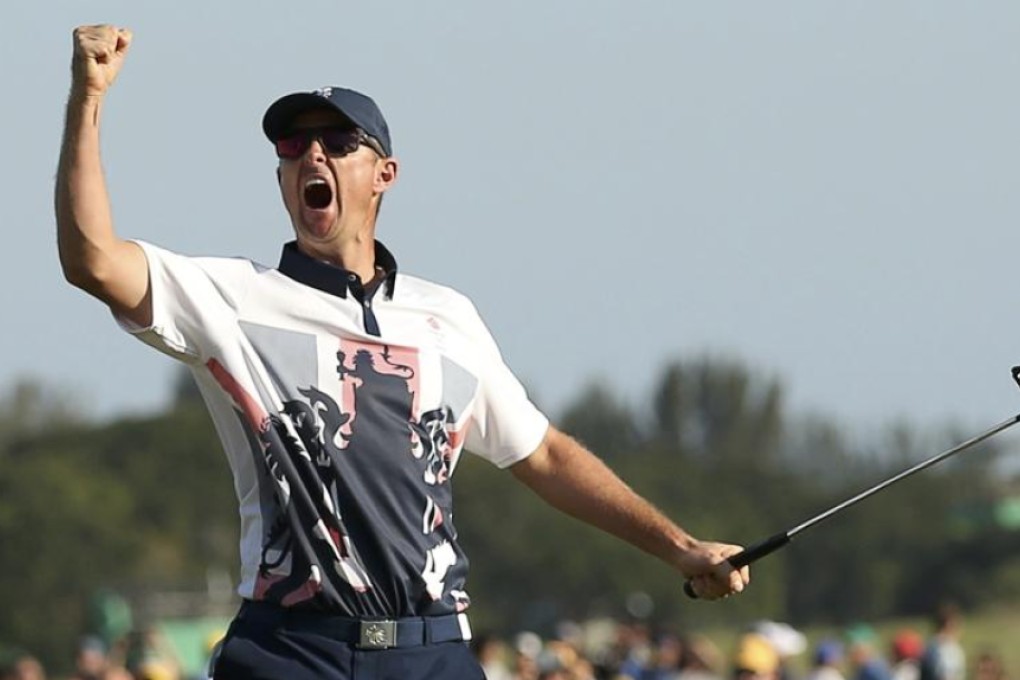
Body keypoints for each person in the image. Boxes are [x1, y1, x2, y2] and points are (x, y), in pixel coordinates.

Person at [55, 23, 751, 680]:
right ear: (280, 180)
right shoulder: (233, 296)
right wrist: (89, 99)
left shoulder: (447, 315)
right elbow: (91, 258)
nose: (312, 156)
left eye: (336, 141)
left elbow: (545, 455)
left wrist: (680, 547)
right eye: (293, 148)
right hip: (293, 650)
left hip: (432, 649)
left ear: (385, 173)